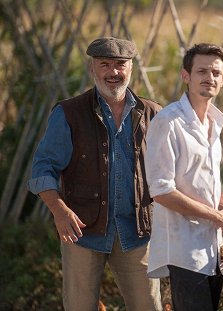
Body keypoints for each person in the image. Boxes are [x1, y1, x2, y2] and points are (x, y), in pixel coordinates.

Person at [28, 37, 162, 311]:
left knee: (149, 306)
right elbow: (44, 167)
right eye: (105, 65)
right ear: (93, 69)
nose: (113, 72)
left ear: (131, 68)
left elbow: (173, 171)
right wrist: (59, 209)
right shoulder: (69, 113)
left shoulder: (152, 114)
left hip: (137, 231)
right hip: (82, 231)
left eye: (120, 65)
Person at [144, 43, 223, 311]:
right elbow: (162, 191)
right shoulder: (168, 122)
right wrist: (218, 217)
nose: (210, 78)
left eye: (216, 73)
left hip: (212, 249)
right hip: (184, 249)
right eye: (202, 71)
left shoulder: (214, 121)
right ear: (186, 76)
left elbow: (200, 188)